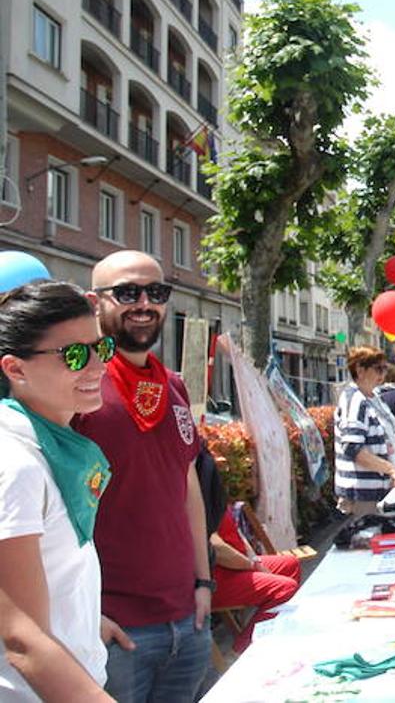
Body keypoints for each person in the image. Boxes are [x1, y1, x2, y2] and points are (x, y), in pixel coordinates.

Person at [74, 250, 213, 700]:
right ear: (96, 303)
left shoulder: (172, 384)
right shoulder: (77, 384)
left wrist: (203, 583)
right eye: (127, 292)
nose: (144, 303)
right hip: (113, 627)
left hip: (186, 619)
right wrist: (85, 615)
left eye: (156, 292)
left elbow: (186, 485)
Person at [0, 281, 118, 697]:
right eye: (74, 355)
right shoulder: (14, 462)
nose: (96, 367)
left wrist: (89, 619)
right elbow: (22, 638)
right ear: (15, 369)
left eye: (100, 349)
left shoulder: (55, 446)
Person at [208, 505, 301, 654]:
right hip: (214, 578)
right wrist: (251, 565)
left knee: (290, 564)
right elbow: (216, 549)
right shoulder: (194, 494)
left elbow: (237, 534)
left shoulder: (211, 489)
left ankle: (273, 632)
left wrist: (255, 561)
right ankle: (243, 649)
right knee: (284, 588)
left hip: (235, 565)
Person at [334, 346, 395, 519]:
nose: (382, 374)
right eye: (378, 369)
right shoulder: (355, 401)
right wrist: (391, 470)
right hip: (363, 494)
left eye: (384, 369)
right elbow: (353, 448)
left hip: (374, 490)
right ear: (360, 370)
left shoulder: (371, 397)